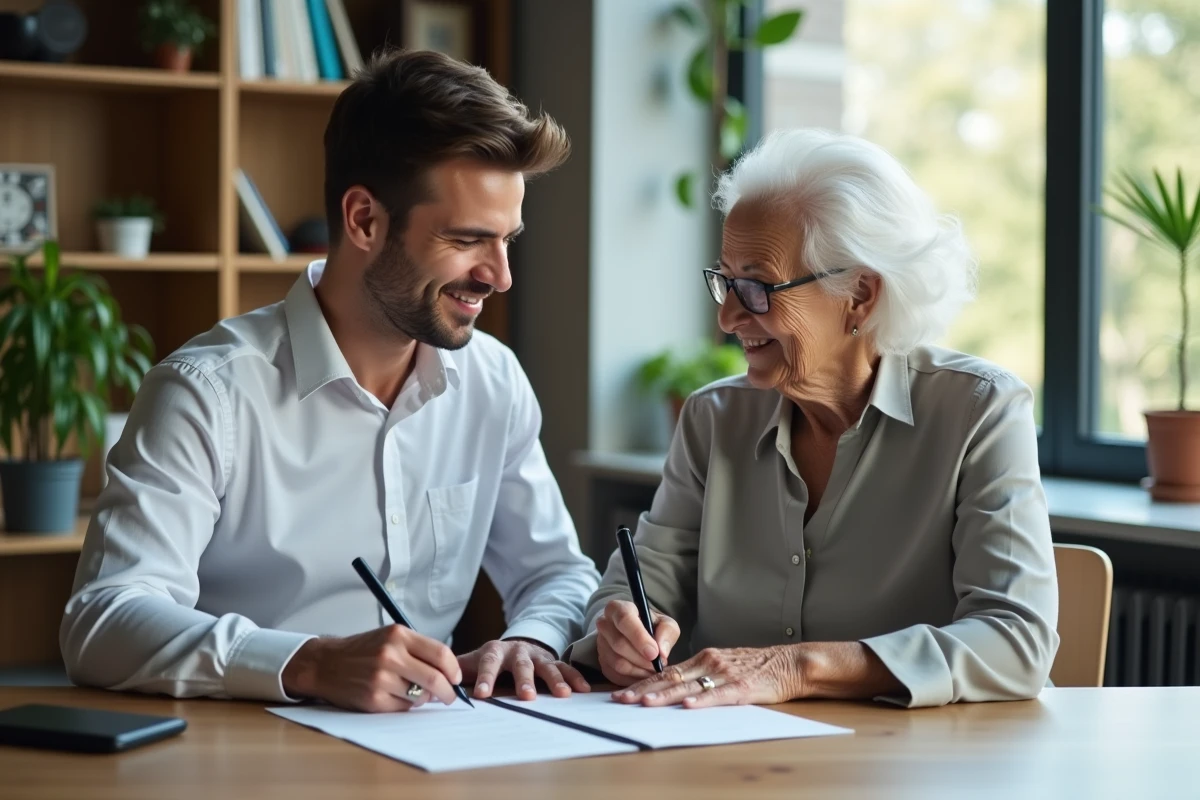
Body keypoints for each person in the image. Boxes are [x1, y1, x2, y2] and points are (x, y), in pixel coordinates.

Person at [60, 49, 601, 713]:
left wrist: (532, 640)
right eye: (467, 241)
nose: (500, 276)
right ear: (364, 219)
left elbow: (556, 572)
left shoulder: (493, 381)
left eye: (507, 240)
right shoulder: (206, 393)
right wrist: (309, 662)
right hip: (241, 745)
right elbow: (103, 620)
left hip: (435, 744)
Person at [568, 128, 1059, 710]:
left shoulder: (980, 411)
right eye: (725, 282)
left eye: (757, 287)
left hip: (921, 757)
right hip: (739, 754)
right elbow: (637, 587)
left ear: (860, 294)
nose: (727, 318)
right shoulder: (713, 419)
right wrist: (621, 631)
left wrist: (797, 667)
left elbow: (1016, 639)